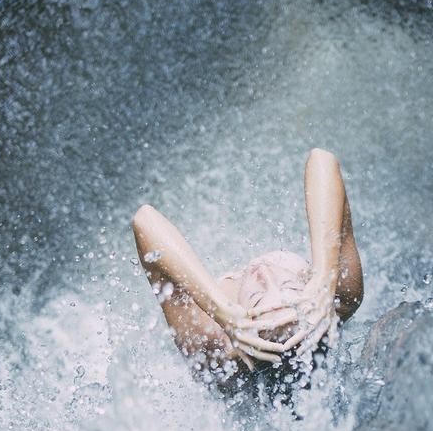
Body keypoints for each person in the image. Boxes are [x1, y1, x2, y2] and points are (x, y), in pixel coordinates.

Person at [132, 148, 363, 384]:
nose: (263, 273)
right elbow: (321, 159)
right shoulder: (338, 299)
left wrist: (219, 309)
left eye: (255, 298)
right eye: (290, 287)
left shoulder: (213, 344)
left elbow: (145, 219)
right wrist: (325, 276)